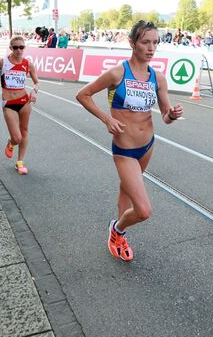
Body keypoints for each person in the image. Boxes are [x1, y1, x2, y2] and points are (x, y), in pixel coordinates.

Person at [76, 20, 183, 262]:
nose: (151, 48)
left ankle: (120, 237)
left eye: (155, 42)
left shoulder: (158, 77)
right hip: (124, 149)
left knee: (126, 189)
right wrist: (106, 119)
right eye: (146, 42)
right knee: (144, 210)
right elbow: (83, 95)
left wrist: (172, 115)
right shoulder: (117, 73)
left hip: (147, 146)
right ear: (132, 43)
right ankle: (116, 229)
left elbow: (165, 117)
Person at [0, 35, 39, 174]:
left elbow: (36, 82)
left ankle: (20, 162)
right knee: (17, 137)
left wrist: (34, 91)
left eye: (22, 47)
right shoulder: (2, 63)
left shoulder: (28, 64)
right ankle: (11, 143)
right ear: (10, 48)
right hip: (9, 102)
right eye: (16, 47)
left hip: (24, 101)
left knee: (24, 131)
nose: (19, 50)